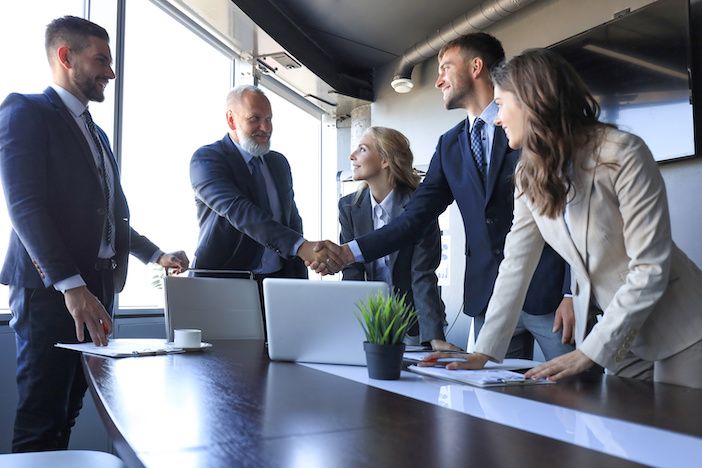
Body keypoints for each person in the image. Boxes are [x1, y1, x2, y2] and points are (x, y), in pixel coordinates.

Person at [426, 48, 702, 388]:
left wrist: (588, 353)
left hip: (680, 328)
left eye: (502, 104)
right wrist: (483, 352)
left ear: (531, 101)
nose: (497, 118)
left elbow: (650, 267)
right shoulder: (529, 173)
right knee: (624, 431)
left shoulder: (623, 153)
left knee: (677, 434)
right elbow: (517, 262)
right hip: (618, 339)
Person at [314, 33, 574, 360]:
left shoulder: (529, 123)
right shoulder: (450, 145)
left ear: (476, 67)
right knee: (494, 403)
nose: (438, 81)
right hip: (490, 302)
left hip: (551, 296)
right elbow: (414, 218)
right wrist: (350, 252)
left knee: (578, 398)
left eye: (445, 68)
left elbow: (568, 211)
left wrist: (572, 292)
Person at [0, 16, 189, 452]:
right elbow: (24, 205)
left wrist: (155, 254)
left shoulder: (95, 131)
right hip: (53, 293)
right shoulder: (25, 110)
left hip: (98, 288)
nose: (111, 71)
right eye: (101, 59)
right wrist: (72, 286)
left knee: (70, 409)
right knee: (41, 417)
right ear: (66, 57)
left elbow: (108, 215)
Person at [190, 85, 339, 282]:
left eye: (269, 119)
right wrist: (302, 247)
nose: (266, 128)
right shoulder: (207, 159)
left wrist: (305, 267)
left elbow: (292, 220)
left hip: (278, 281)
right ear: (231, 119)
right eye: (255, 119)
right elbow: (239, 211)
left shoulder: (278, 163)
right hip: (224, 282)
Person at [339, 126, 455, 349]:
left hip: (416, 321)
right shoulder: (349, 207)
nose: (351, 156)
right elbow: (352, 272)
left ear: (384, 160)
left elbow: (422, 274)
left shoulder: (419, 207)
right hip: (370, 320)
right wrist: (350, 327)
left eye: (362, 149)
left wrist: (434, 337)